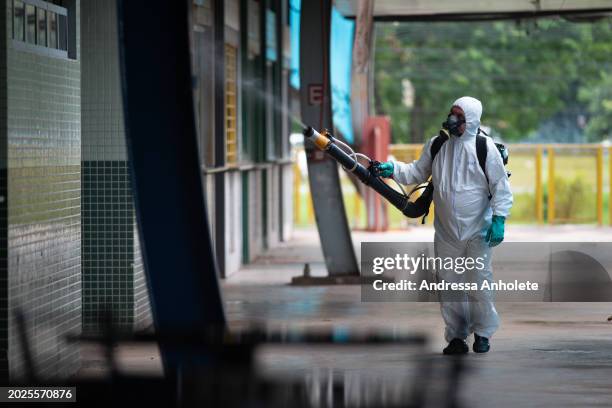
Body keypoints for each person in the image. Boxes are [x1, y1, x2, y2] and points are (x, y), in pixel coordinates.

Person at [376, 96, 513, 354]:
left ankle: (483, 333)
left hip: (478, 231)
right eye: (452, 113)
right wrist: (391, 169)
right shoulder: (438, 145)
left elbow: (500, 187)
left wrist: (499, 219)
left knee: (478, 282)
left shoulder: (484, 148)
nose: (452, 119)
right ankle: (457, 337)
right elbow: (415, 173)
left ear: (470, 120)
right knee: (449, 285)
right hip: (446, 232)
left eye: (458, 115)